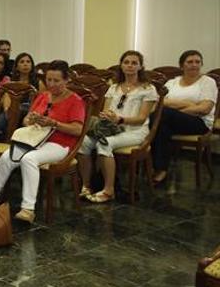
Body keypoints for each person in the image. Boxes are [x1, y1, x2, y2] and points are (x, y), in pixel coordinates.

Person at [0, 60, 86, 224]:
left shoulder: (75, 101)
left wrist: (54, 123)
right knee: (6, 157)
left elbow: (77, 130)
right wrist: (31, 119)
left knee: (29, 159)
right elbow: (25, 121)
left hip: (59, 143)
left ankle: (28, 209)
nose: (51, 84)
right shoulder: (43, 96)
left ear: (67, 80)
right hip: (34, 139)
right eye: (49, 80)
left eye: (56, 80)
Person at [78, 51, 158, 203]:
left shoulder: (148, 88)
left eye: (134, 63)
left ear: (140, 67)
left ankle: (109, 190)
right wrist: (106, 116)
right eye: (126, 62)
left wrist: (120, 119)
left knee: (104, 144)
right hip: (113, 129)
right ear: (121, 65)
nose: (130, 66)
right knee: (84, 143)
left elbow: (141, 119)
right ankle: (86, 186)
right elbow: (107, 110)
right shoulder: (114, 87)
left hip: (135, 131)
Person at [151, 49, 217, 184]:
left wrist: (174, 110)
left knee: (160, 116)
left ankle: (154, 166)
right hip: (173, 121)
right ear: (182, 65)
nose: (194, 65)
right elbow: (159, 102)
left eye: (197, 62)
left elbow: (204, 109)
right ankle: (161, 169)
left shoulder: (207, 82)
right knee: (161, 126)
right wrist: (187, 103)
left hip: (199, 123)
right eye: (190, 62)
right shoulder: (172, 82)